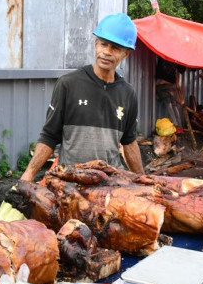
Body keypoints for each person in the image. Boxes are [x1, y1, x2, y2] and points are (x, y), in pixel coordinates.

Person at [20, 13, 144, 181]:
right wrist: (28, 175)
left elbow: (129, 142)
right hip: (71, 180)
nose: (106, 52)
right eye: (103, 44)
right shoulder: (68, 84)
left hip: (110, 183)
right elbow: (49, 135)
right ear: (96, 44)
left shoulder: (128, 94)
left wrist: (143, 180)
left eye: (115, 48)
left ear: (126, 54)